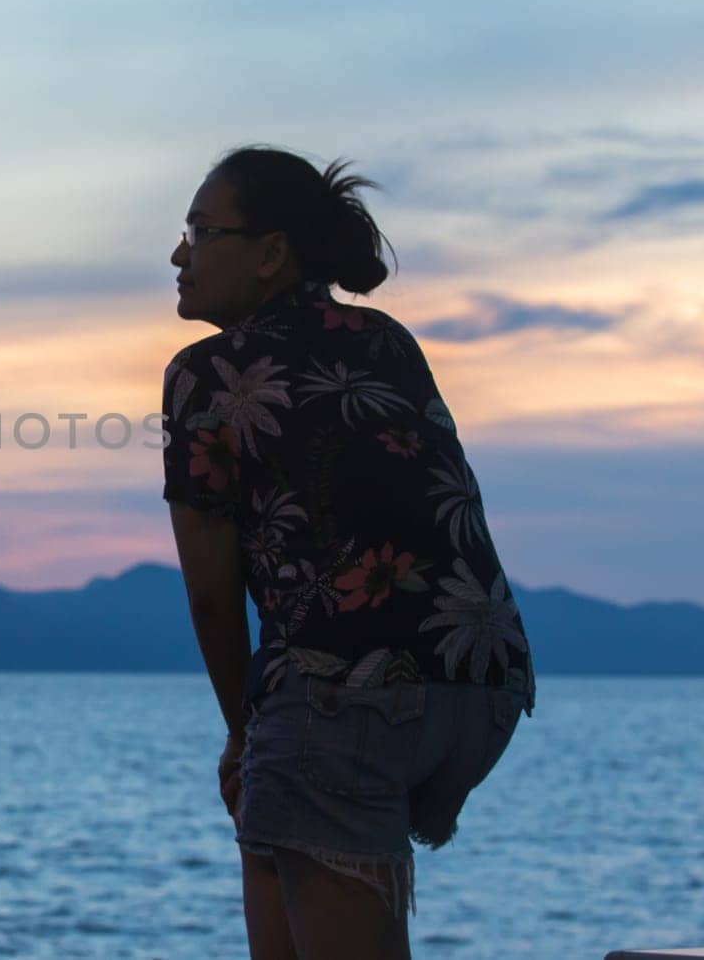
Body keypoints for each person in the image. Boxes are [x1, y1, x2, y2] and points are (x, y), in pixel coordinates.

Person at [162, 145, 536, 959]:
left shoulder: (206, 374)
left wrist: (240, 731)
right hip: (484, 684)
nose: (179, 254)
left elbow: (212, 595)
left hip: (347, 694)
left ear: (270, 253)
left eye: (200, 230)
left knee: (282, 792)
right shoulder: (387, 341)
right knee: (273, 834)